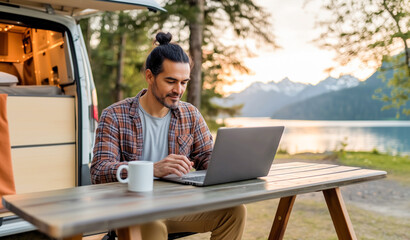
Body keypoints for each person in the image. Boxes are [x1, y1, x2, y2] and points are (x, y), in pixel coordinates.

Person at [90, 32, 246, 240]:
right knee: (152, 224)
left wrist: (227, 165)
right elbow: (99, 171)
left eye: (184, 82)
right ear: (149, 76)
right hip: (129, 211)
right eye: (171, 81)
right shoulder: (115, 115)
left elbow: (206, 155)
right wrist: (152, 169)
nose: (178, 90)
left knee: (235, 212)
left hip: (174, 206)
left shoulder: (190, 114)